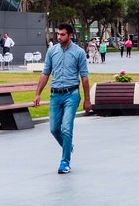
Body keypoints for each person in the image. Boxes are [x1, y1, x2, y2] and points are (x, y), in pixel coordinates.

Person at [34, 23, 91, 175]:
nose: (59, 37)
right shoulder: (52, 51)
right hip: (55, 95)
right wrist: (38, 93)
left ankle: (65, 161)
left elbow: (84, 78)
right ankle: (68, 146)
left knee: (66, 128)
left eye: (62, 34)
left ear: (70, 35)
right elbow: (45, 73)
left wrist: (87, 100)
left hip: (71, 94)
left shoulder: (78, 53)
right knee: (54, 129)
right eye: (58, 34)